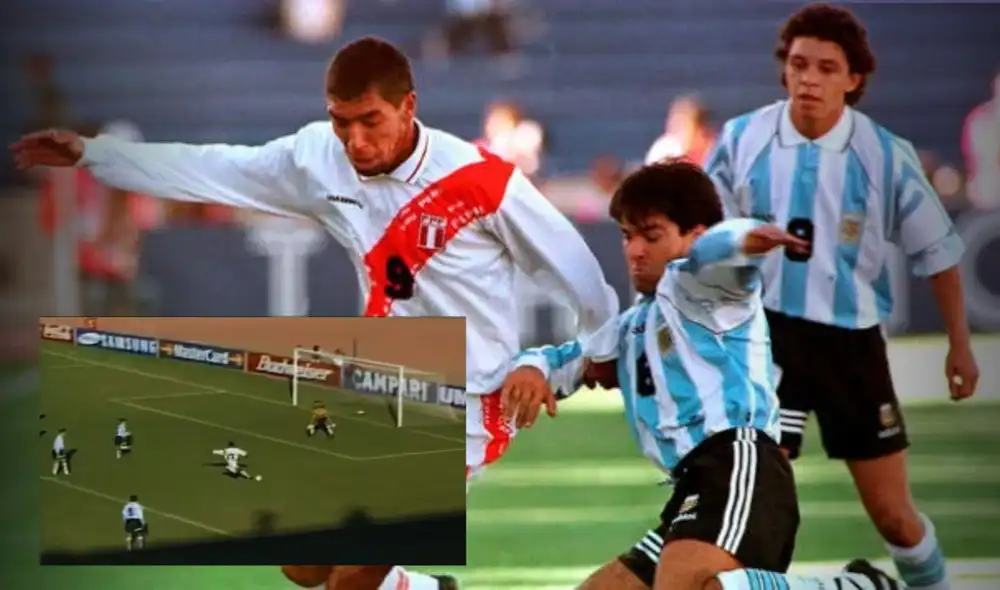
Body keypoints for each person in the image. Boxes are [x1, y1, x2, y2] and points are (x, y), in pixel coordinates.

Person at [11, 35, 618, 590]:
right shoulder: (319, 159)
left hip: (467, 399)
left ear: (409, 107)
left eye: (370, 121)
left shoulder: (482, 182)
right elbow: (219, 167)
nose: (355, 139)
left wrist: (588, 354)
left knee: (349, 578)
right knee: (304, 564)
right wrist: (97, 154)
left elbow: (579, 273)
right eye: (341, 121)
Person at [503, 160, 901, 590]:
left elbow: (721, 248)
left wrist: (748, 237)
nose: (635, 250)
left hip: (737, 461)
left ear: (692, 235)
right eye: (627, 235)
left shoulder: (702, 286)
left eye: (651, 235)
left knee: (687, 587)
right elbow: (570, 356)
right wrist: (533, 367)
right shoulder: (633, 324)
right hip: (693, 486)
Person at [703, 5, 980, 590]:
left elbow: (940, 251)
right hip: (767, 341)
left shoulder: (883, 154)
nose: (809, 78)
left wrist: (960, 346)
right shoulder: (741, 139)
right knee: (757, 503)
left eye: (827, 68)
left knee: (894, 517)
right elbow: (701, 236)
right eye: (799, 64)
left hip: (852, 346)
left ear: (853, 79)